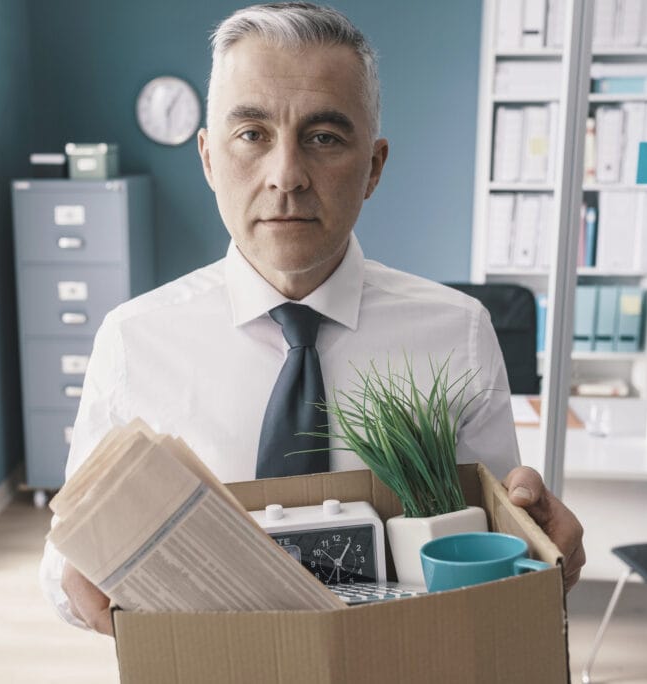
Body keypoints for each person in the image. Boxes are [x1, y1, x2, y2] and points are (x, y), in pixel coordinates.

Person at [40, 2, 585, 635]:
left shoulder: (459, 333)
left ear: (373, 167)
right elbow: (65, 564)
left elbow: (492, 543)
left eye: (324, 138)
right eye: (251, 134)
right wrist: (79, 584)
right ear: (209, 157)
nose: (287, 176)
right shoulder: (133, 341)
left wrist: (543, 550)